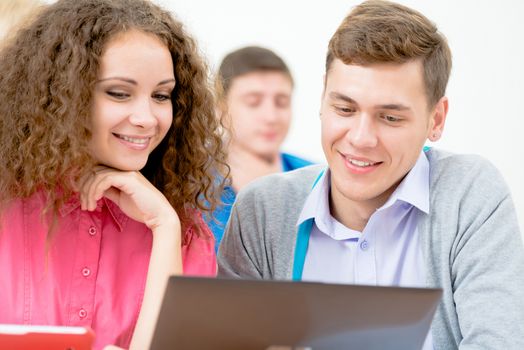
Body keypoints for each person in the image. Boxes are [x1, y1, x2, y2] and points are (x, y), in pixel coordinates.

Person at [218, 1, 524, 349]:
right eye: (344, 108)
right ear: (322, 99)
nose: (361, 138)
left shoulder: (468, 196)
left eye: (390, 118)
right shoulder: (262, 212)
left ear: (436, 120)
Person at [0, 0, 227, 349]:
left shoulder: (183, 234)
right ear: (61, 93)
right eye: (119, 93)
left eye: (161, 95)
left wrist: (165, 228)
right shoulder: (8, 207)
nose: (147, 118)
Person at [207, 46, 312, 250]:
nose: (271, 117)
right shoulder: (188, 185)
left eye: (281, 102)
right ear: (220, 108)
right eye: (253, 102)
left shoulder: (320, 182)